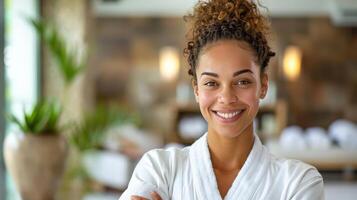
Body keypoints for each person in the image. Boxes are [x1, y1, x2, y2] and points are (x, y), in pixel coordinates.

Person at [119, 0, 324, 199]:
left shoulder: (298, 182)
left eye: (242, 81)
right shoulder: (160, 169)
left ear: (263, 86)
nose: (226, 97)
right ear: (197, 89)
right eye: (211, 83)